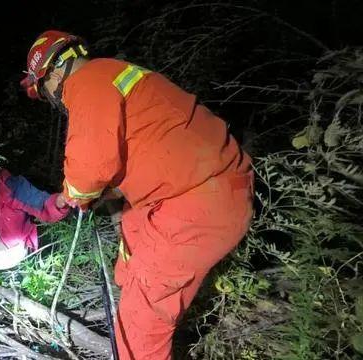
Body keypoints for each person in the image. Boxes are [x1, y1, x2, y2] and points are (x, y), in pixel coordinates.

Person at [20, 30, 254, 359]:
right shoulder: (112, 74)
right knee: (131, 236)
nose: (50, 99)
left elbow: (90, 166)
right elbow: (139, 152)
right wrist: (105, 194)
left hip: (199, 201)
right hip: (206, 188)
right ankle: (135, 292)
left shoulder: (86, 82)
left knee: (139, 323)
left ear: (53, 72)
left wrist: (74, 195)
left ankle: (140, 329)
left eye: (43, 91)